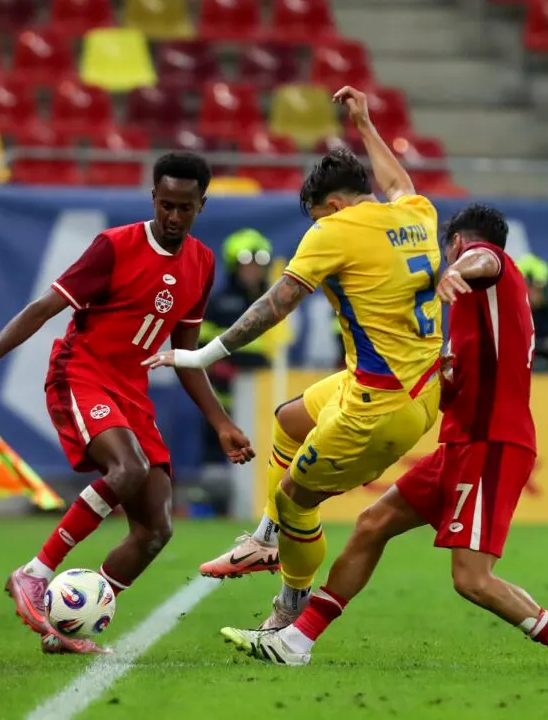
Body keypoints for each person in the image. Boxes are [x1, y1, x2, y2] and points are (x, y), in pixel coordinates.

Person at [220, 204, 548, 673]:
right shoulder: (478, 313)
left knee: (472, 579)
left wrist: (457, 269)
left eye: (449, 252)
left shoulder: (488, 268)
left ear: (457, 244)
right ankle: (296, 641)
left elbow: (483, 257)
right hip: (462, 445)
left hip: (491, 446)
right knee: (372, 524)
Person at [147, 86, 443, 632]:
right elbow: (399, 181)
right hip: (417, 387)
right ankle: (263, 542)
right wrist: (365, 124)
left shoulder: (333, 230)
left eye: (315, 216)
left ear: (330, 206)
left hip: (379, 406)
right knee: (289, 421)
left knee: (295, 503)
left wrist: (201, 354)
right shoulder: (416, 213)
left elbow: (275, 303)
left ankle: (288, 614)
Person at [0, 152, 255, 655]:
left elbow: (185, 353)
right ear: (152, 199)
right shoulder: (114, 247)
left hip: (131, 394)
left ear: (202, 204)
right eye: (165, 205)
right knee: (128, 469)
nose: (173, 216)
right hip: (82, 374)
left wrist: (220, 421)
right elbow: (42, 308)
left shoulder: (201, 263)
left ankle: (70, 625)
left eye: (185, 207)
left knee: (156, 530)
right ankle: (35, 572)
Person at [199, 230, 275, 466]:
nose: (253, 269)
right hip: (225, 402)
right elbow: (201, 351)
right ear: (235, 266)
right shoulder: (218, 303)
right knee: (218, 462)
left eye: (258, 263)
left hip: (264, 401)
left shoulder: (276, 303)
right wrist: (222, 371)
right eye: (246, 263)